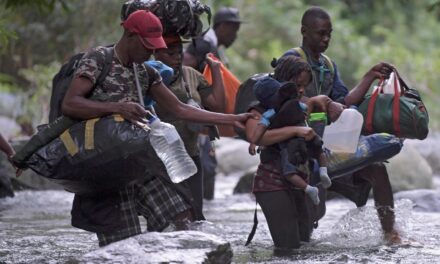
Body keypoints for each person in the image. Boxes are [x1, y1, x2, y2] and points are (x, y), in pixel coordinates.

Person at [61, 10, 254, 247]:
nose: (151, 52)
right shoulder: (98, 60)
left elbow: (180, 109)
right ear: (130, 35)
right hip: (104, 169)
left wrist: (230, 119)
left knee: (182, 218)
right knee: (122, 245)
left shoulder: (147, 71)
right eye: (146, 46)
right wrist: (117, 108)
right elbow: (71, 104)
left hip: (140, 164)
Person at [279, 6, 400, 243]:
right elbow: (279, 97)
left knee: (378, 169)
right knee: (307, 228)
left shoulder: (328, 65)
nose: (326, 39)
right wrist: (319, 102)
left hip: (327, 144)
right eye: (320, 33)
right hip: (296, 147)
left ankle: (390, 233)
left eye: (329, 34)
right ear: (304, 31)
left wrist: (370, 76)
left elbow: (344, 101)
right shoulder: (290, 60)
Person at [245, 56, 326, 250]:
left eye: (303, 86)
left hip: (300, 181)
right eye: (297, 85)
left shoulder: (298, 106)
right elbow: (258, 137)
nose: (300, 91)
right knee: (288, 249)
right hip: (273, 183)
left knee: (304, 245)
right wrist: (296, 131)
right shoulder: (260, 108)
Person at [153, 34, 226, 220]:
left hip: (191, 155)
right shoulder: (147, 76)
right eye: (171, 53)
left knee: (196, 214)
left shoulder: (191, 74)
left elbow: (217, 105)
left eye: (179, 53)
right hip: (160, 159)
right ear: (156, 54)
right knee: (165, 218)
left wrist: (216, 70)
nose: (177, 58)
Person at [183, 6, 244, 200]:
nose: (235, 36)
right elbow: (185, 68)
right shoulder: (203, 45)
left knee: (207, 167)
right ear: (223, 26)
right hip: (197, 116)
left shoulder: (212, 46)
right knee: (204, 167)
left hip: (204, 116)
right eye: (234, 29)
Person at [248, 71, 332, 206]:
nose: (301, 90)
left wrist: (253, 142)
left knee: (289, 173)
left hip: (288, 147)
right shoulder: (296, 104)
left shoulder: (270, 112)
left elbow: (257, 136)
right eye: (298, 85)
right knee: (319, 150)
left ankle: (309, 189)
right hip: (307, 138)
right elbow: (307, 111)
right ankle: (323, 171)